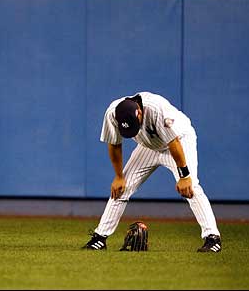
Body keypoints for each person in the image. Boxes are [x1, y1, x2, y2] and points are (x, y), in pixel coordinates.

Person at [82, 91, 221, 252]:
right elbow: (114, 145)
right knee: (122, 187)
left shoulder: (156, 109)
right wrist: (119, 176)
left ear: (139, 113)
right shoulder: (112, 114)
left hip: (178, 142)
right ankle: (99, 238)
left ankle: (213, 238)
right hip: (149, 146)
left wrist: (184, 176)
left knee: (191, 188)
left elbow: (173, 142)